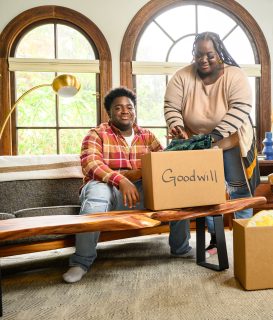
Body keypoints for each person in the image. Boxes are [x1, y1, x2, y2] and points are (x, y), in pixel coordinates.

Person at [63, 87, 192, 283]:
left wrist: (179, 146)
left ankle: (181, 249)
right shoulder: (96, 134)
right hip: (107, 192)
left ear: (134, 110)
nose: (125, 111)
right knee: (98, 192)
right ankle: (80, 262)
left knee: (175, 190)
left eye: (129, 107)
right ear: (109, 112)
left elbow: (164, 167)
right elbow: (91, 164)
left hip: (140, 193)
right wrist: (121, 180)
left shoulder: (147, 136)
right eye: (118, 108)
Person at [164, 31, 260, 255]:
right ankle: (216, 241)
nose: (204, 59)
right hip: (196, 144)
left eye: (210, 55)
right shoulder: (182, 76)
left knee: (239, 193)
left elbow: (240, 108)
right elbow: (171, 106)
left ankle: (244, 238)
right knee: (206, 194)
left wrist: (214, 136)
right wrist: (177, 126)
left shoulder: (235, 75)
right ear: (193, 55)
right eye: (199, 55)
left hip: (231, 142)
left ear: (220, 53)